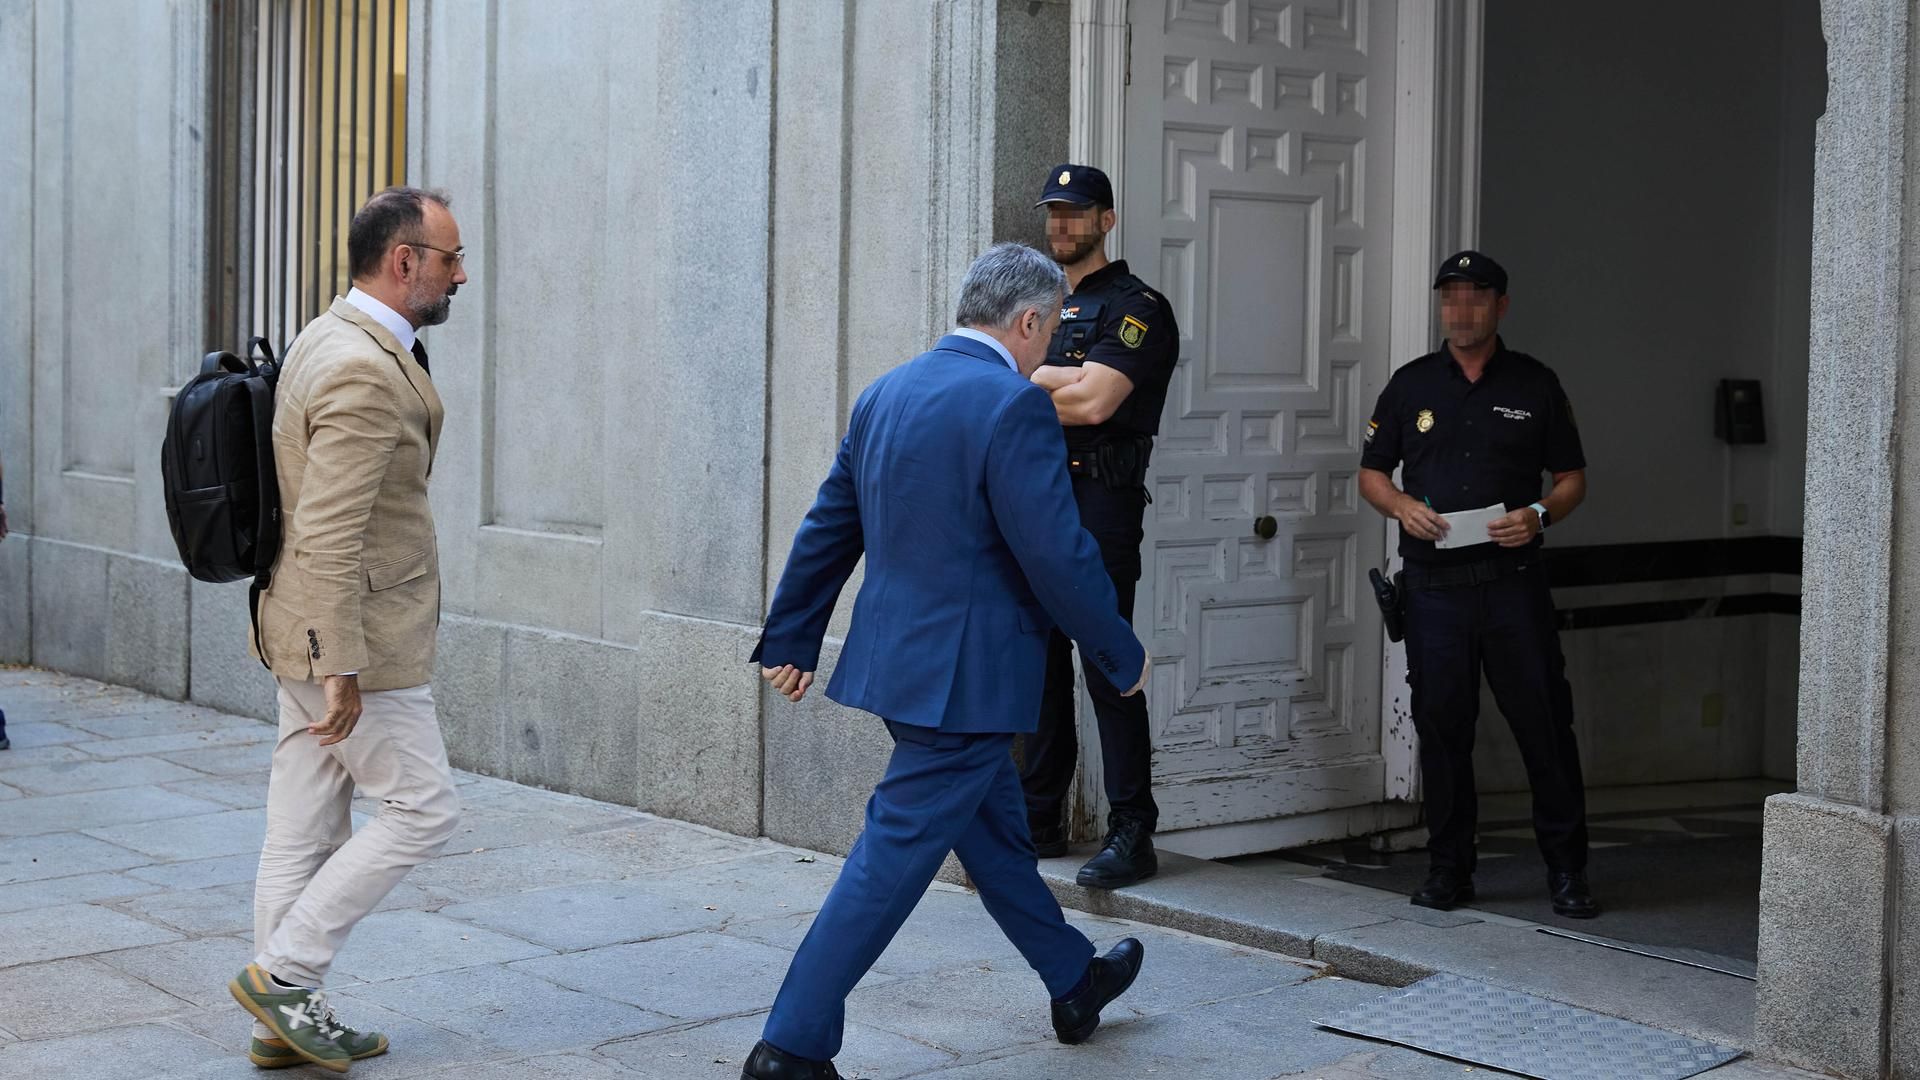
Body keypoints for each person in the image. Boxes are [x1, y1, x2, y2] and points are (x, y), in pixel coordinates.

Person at [741, 243, 1152, 1080]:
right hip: (967, 684)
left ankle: (1073, 981)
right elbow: (1058, 554)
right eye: (1050, 335)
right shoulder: (1012, 405)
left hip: (905, 670)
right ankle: (791, 1045)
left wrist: (792, 636)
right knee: (887, 863)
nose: (1050, 354)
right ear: (1029, 320)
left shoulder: (885, 392)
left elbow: (830, 525)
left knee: (997, 838)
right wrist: (1117, 651)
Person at [228, 186, 468, 1073]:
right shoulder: (365, 369)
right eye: (449, 259)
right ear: (403, 262)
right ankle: (283, 976)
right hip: (352, 632)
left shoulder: (328, 334)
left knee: (303, 823)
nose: (460, 274)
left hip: (297, 619)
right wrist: (341, 665)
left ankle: (276, 1024)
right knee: (424, 808)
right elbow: (329, 525)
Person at [1358, 250, 1597, 919]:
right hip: (1434, 590)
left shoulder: (1534, 384)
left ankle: (1568, 873)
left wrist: (1539, 515)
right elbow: (1372, 472)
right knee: (1442, 729)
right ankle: (1448, 870)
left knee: (1545, 727)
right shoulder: (1410, 386)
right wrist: (1400, 506)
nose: (1461, 310)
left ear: (1500, 306)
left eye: (1475, 297)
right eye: (1451, 298)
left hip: (1513, 585)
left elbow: (1572, 479)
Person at [1019, 164, 1180, 889]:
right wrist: (1058, 381)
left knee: (1109, 663)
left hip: (1100, 504)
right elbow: (1022, 382)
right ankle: (1038, 816)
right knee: (1038, 661)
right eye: (1054, 213)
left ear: (1106, 221)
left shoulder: (1136, 307)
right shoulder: (1042, 304)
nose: (1061, 226)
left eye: (1076, 213)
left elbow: (1093, 407)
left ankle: (1131, 829)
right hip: (1039, 499)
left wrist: (1038, 385)